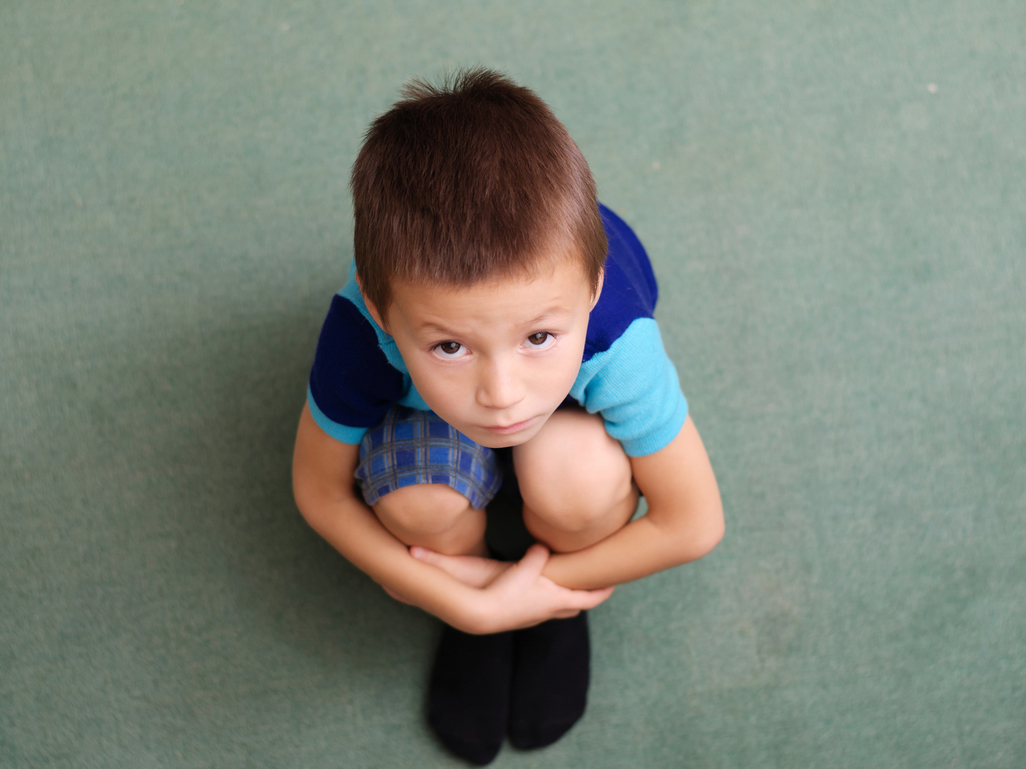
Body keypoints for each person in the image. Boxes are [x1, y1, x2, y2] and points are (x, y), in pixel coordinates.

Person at [292, 68, 724, 765]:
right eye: (451, 346)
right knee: (418, 501)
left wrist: (532, 591)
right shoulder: (358, 333)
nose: (502, 393)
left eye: (538, 338)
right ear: (381, 313)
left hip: (573, 429)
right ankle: (477, 606)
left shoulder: (615, 335)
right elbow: (318, 489)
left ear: (591, 290)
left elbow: (696, 522)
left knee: (577, 478)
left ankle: (554, 603)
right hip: (429, 427)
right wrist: (464, 605)